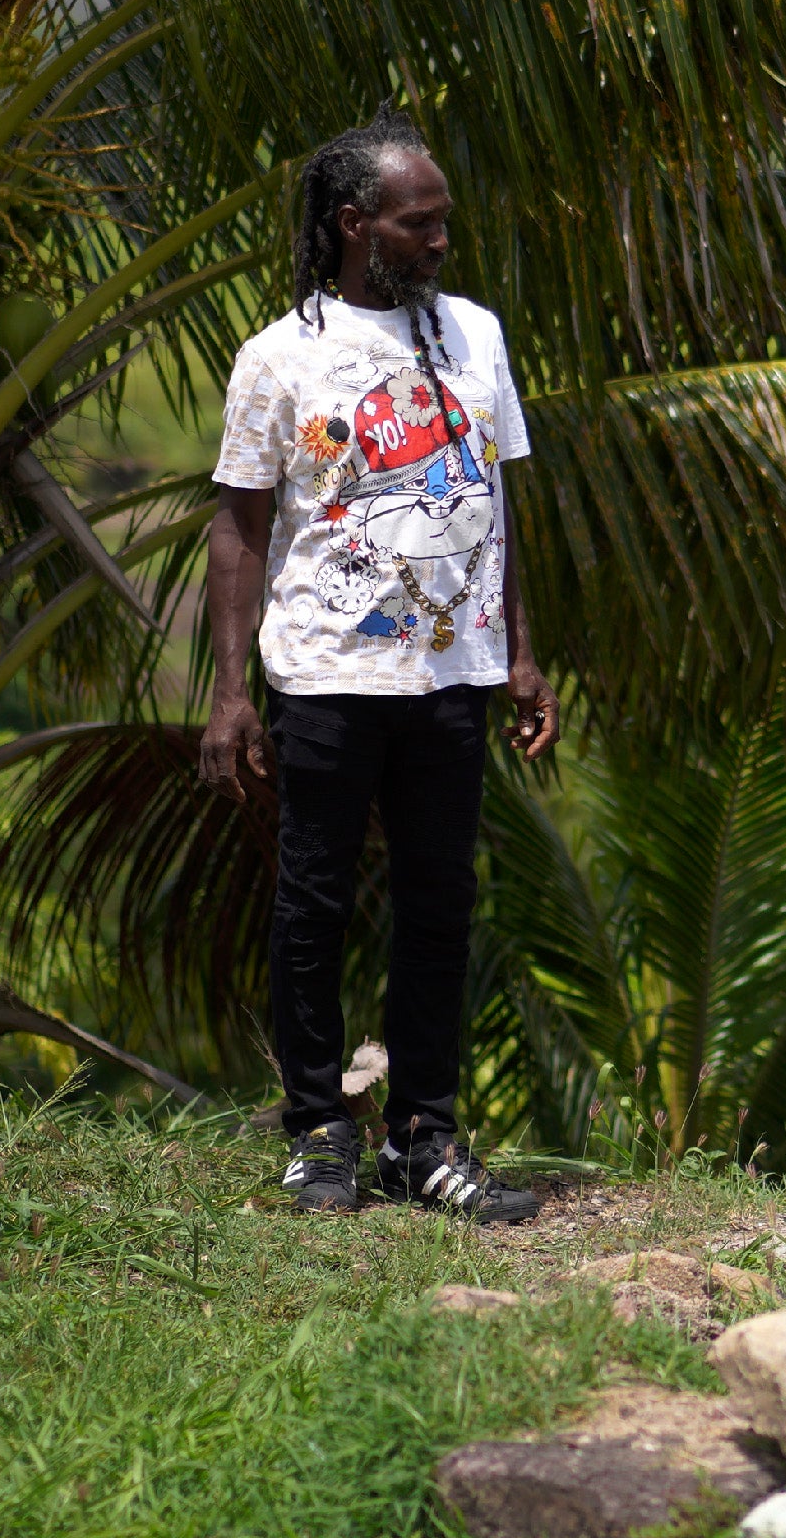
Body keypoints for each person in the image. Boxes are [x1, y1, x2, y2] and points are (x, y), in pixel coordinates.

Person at [200, 113, 552, 1221]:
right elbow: (239, 527)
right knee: (312, 906)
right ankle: (317, 1132)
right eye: (421, 221)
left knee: (439, 906)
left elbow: (499, 506)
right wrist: (224, 691)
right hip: (326, 677)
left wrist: (523, 655)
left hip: (452, 675)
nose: (443, 238)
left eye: (445, 218)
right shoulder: (279, 359)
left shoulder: (477, 338)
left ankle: (424, 1139)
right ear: (357, 225)